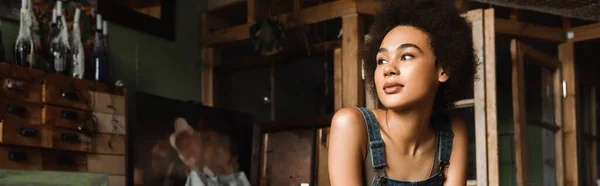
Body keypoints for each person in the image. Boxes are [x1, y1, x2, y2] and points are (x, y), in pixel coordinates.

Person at [328, 0, 476, 185]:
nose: (388, 69)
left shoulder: (452, 132)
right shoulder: (351, 125)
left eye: (406, 56)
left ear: (443, 69)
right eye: (381, 60)